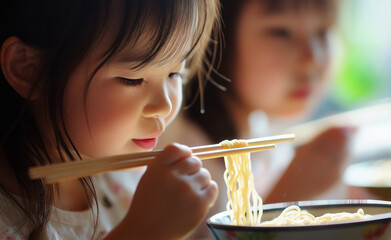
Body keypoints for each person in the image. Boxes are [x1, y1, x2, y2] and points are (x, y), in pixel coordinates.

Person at [0, 0, 220, 239]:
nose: (165, 106)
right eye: (133, 79)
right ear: (28, 69)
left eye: (174, 73)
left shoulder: (128, 177)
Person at [158, 0, 354, 238]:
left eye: (322, 31)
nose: (311, 58)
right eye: (281, 32)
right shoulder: (187, 153)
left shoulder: (262, 129)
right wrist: (293, 193)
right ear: (219, 34)